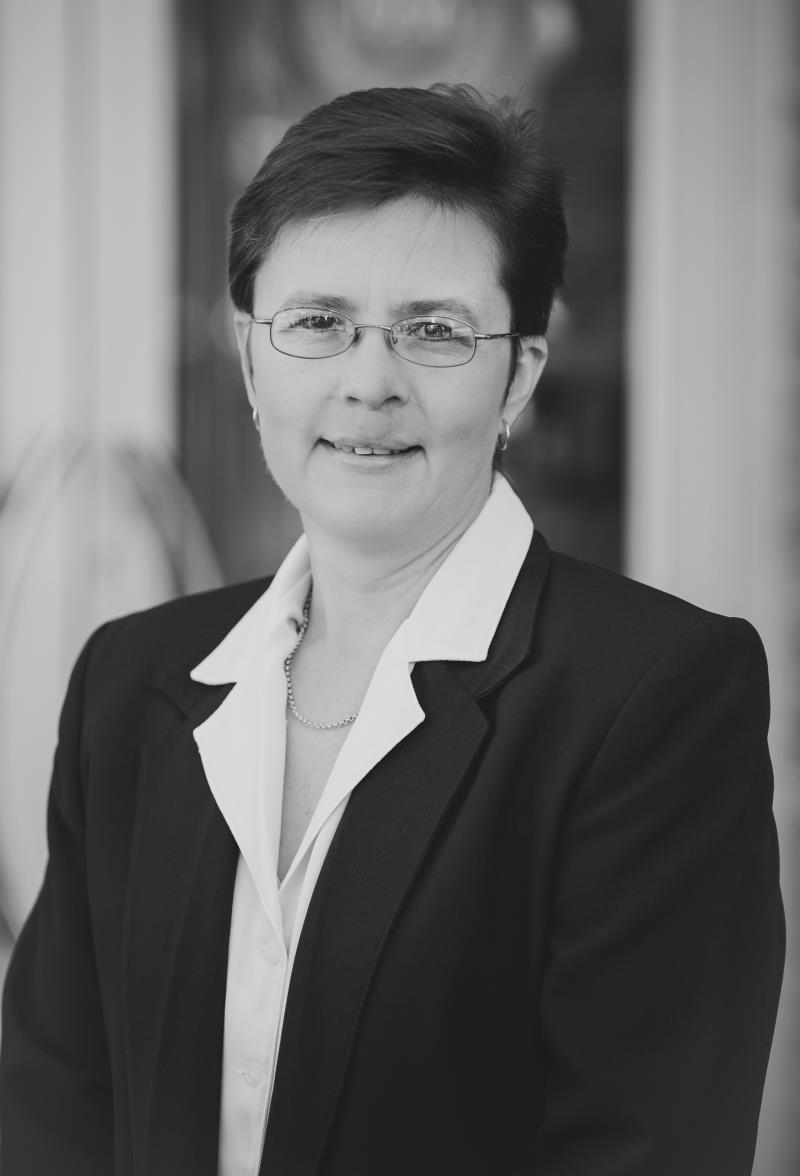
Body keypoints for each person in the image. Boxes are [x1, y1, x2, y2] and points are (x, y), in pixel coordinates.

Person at [0, 84, 784, 1176]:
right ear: (251, 357)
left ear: (519, 375)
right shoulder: (131, 679)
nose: (369, 384)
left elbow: (644, 1150)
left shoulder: (654, 698)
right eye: (318, 323)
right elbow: (51, 1110)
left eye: (434, 331)